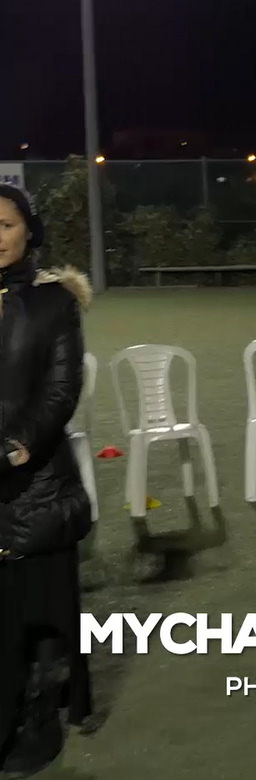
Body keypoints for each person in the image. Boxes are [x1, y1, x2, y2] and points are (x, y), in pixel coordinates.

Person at [0, 182, 94, 778]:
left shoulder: (53, 302)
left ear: (29, 232)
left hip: (33, 486)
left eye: (5, 225)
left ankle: (41, 714)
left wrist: (13, 451)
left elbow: (60, 393)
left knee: (37, 609)